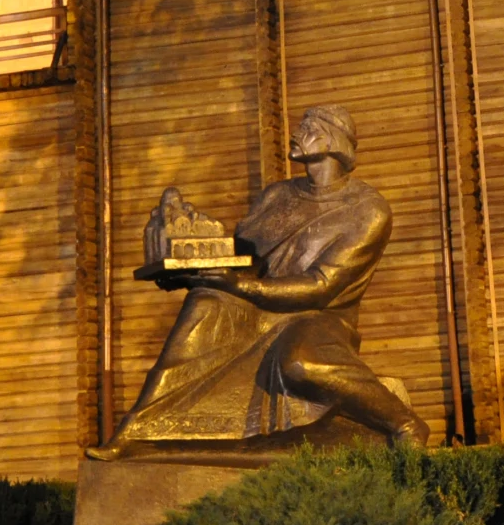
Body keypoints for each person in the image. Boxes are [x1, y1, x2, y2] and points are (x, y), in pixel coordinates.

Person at [88, 104, 430, 457]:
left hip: (318, 316)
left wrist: (239, 286)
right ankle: (137, 430)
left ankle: (402, 422)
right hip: (256, 304)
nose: (297, 132)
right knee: (204, 304)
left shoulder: (367, 210)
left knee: (301, 364)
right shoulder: (276, 196)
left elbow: (322, 285)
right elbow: (241, 256)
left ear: (332, 139)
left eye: (308, 126)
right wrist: (185, 271)